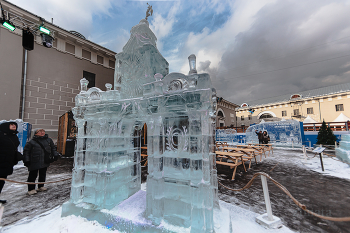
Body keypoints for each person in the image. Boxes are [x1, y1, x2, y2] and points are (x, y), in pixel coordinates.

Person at [23, 129, 57, 195]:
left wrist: (55, 155)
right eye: (40, 131)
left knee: (42, 174)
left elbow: (53, 148)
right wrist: (26, 160)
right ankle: (31, 189)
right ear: (36, 133)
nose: (42, 132)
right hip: (34, 161)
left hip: (45, 160)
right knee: (32, 175)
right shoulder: (31, 142)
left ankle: (41, 186)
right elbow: (26, 151)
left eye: (43, 131)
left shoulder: (48, 140)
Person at [0, 121, 21, 204]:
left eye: (15, 125)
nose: (14, 126)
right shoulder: (1, 135)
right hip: (1, 161)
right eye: (11, 124)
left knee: (2, 181)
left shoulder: (13, 136)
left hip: (7, 162)